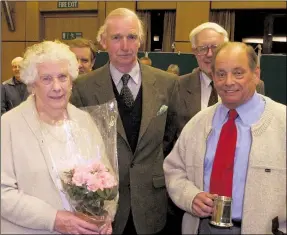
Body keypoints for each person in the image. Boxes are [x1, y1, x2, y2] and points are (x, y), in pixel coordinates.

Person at [70, 8, 180, 235]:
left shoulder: (168, 83)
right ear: (103, 42)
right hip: (104, 205)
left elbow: (171, 137)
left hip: (152, 203)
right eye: (116, 37)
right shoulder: (83, 87)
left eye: (131, 37)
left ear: (140, 41)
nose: (125, 45)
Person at [163, 42, 286, 234]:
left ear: (256, 74)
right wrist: (190, 196)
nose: (228, 82)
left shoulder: (282, 123)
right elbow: (174, 169)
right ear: (213, 76)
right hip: (202, 227)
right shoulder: (199, 123)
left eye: (238, 73)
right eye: (221, 74)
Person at [1, 40, 114, 234]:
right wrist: (53, 219)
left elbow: (106, 177)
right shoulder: (9, 124)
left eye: (63, 77)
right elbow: (3, 193)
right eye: (46, 79)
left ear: (71, 80)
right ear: (31, 84)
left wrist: (105, 215)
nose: (57, 87)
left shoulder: (84, 120)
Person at [178, 22, 265, 133]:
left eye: (215, 47)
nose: (209, 54)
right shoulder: (178, 86)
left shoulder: (253, 84)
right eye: (202, 48)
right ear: (194, 51)